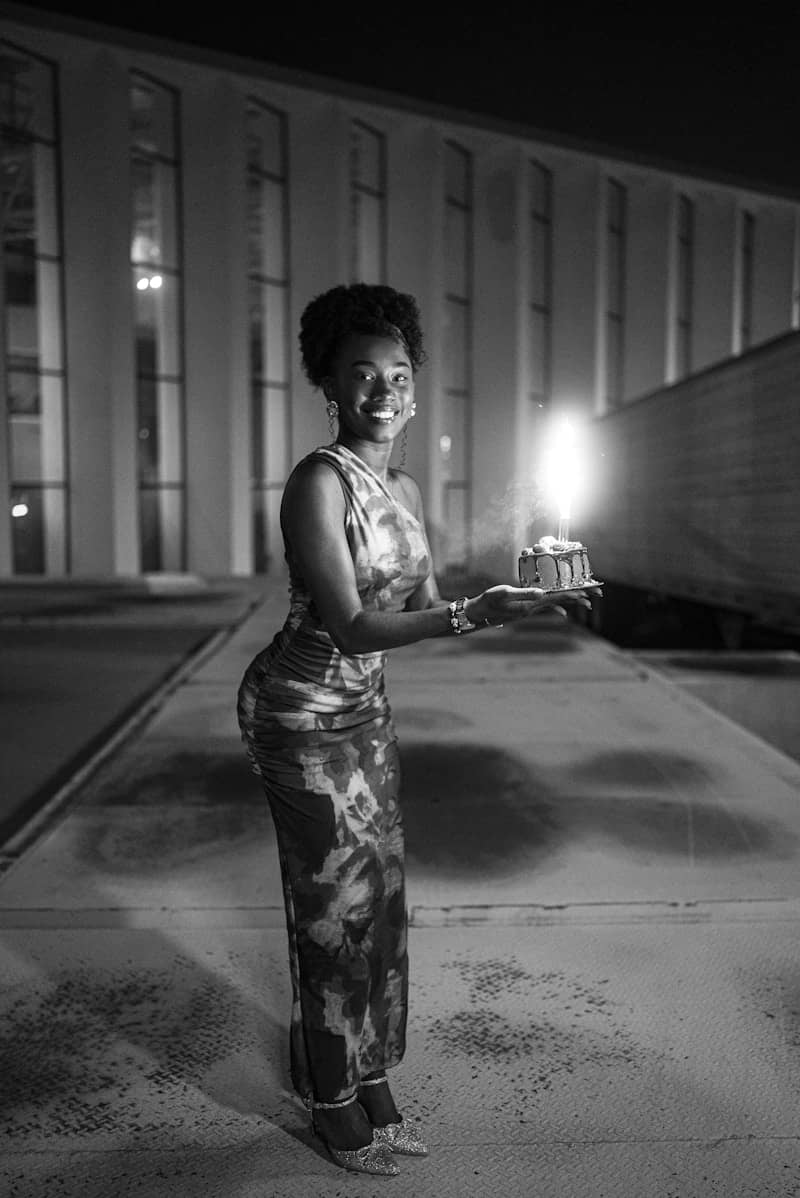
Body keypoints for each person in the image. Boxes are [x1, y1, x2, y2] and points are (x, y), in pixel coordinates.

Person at [237, 281, 594, 1178]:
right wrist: (476, 613)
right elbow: (356, 625)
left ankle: (374, 1079)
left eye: (399, 373)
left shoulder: (401, 484)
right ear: (330, 382)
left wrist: (516, 600)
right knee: (330, 913)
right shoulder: (318, 483)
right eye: (363, 374)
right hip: (301, 712)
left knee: (381, 907)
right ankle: (330, 1098)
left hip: (369, 711)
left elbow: (428, 609)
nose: (385, 391)